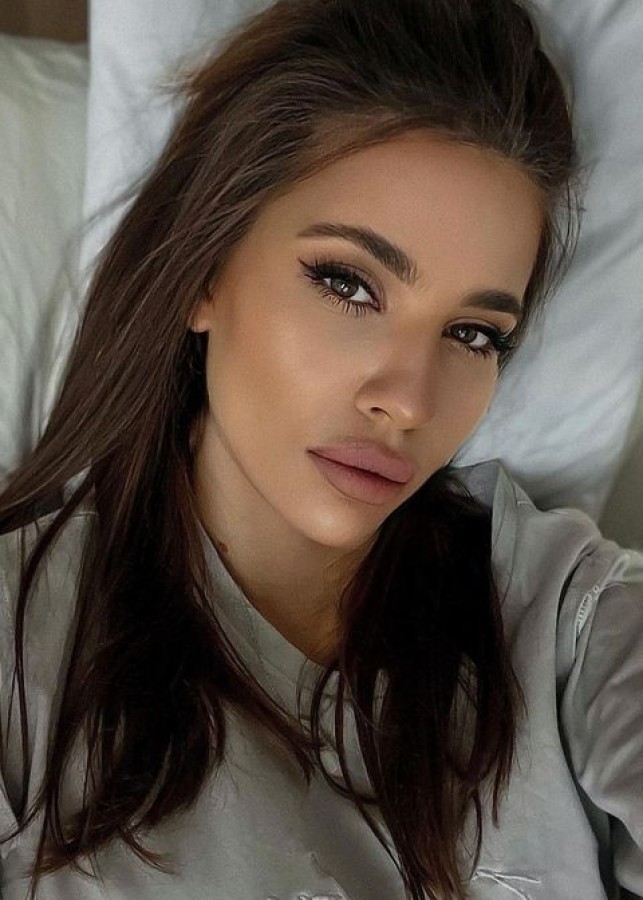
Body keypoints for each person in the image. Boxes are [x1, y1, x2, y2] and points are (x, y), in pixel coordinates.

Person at [0, 0, 641, 897]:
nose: (407, 401)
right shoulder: (21, 648)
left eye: (472, 334)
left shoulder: (565, 618)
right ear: (204, 270)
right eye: (348, 284)